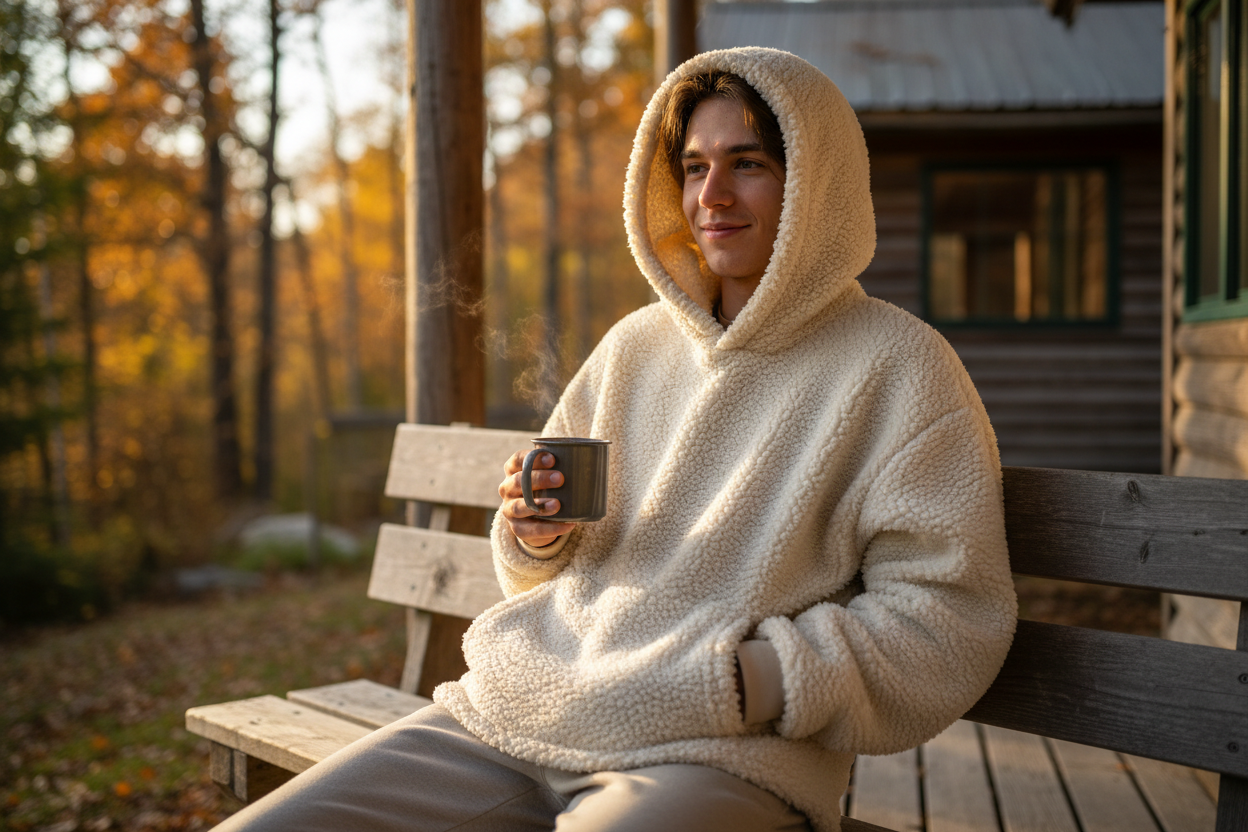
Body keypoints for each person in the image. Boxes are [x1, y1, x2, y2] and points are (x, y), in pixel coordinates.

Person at [213, 47, 1016, 832]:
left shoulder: (900, 367)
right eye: (695, 167)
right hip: (518, 712)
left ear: (816, 184)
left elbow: (946, 618)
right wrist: (533, 533)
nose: (713, 196)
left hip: (716, 751)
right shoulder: (635, 347)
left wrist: (748, 681)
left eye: (749, 163)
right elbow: (529, 562)